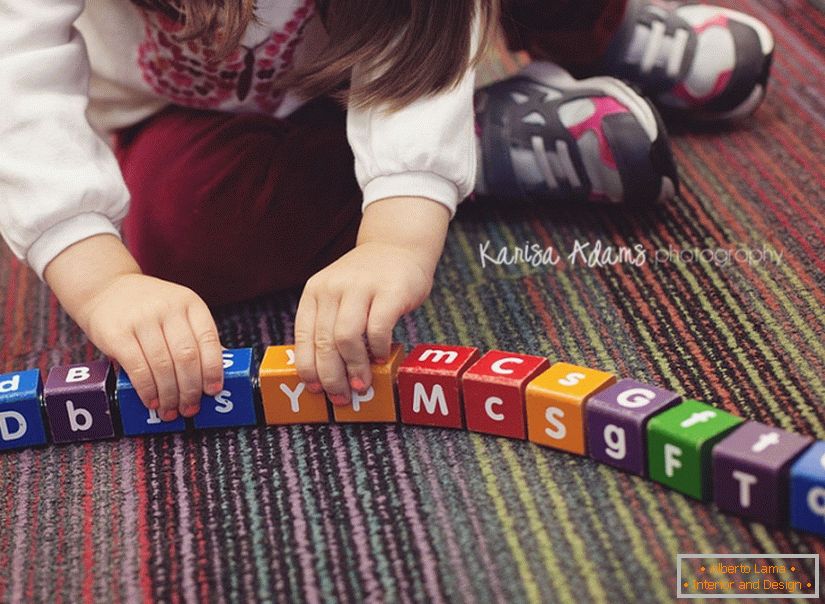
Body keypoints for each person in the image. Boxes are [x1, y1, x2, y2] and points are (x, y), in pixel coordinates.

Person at [0, 0, 773, 421]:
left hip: (399, 55)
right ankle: (483, 139)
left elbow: (420, 38)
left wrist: (398, 238)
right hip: (192, 112)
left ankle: (596, 29)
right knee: (181, 229)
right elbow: (15, 79)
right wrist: (98, 278)